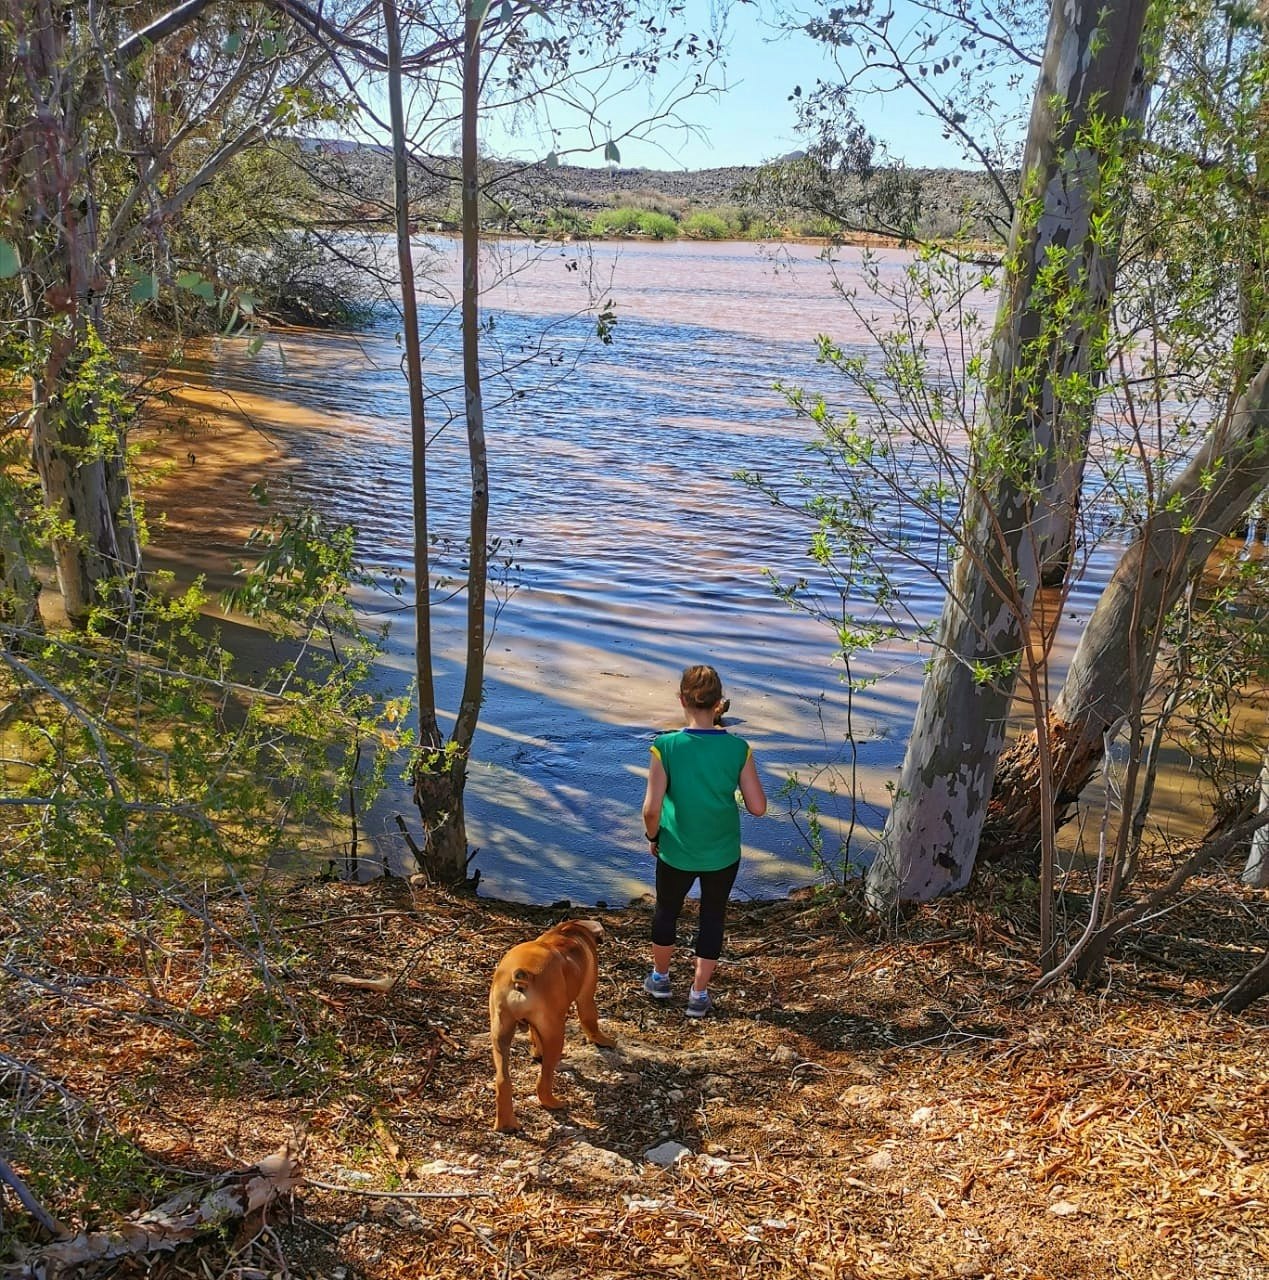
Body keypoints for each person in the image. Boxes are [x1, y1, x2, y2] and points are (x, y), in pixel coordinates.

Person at [640, 664, 766, 1018]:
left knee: (667, 910)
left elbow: (651, 809)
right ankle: (698, 995)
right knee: (713, 917)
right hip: (722, 853)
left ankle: (660, 979)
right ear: (719, 704)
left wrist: (654, 836)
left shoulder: (665, 747)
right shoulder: (738, 748)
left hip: (676, 849)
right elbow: (758, 807)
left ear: (681, 699)